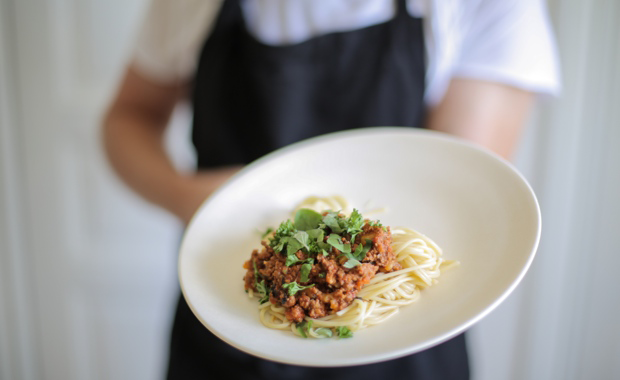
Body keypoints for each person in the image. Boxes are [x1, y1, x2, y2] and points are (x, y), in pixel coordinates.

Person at [102, 0, 560, 379]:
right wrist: (189, 197)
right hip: (226, 323)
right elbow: (130, 115)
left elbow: (461, 187)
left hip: (404, 351)